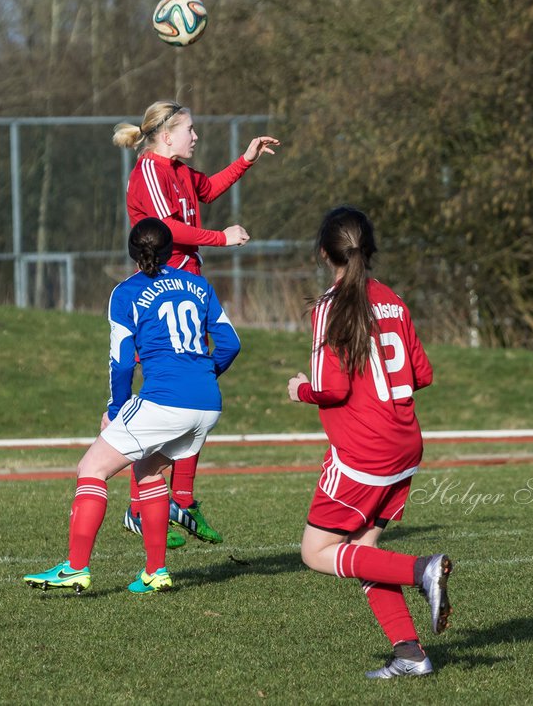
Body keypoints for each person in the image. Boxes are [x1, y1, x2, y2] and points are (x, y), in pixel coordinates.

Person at [24, 218, 241, 595]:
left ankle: (75, 568)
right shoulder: (199, 285)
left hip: (165, 399)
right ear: (172, 250)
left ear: (132, 253)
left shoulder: (125, 293)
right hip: (207, 402)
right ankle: (155, 572)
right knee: (149, 472)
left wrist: (115, 408)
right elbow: (231, 344)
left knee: (91, 467)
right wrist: (204, 376)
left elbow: (123, 361)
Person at [285, 205, 453, 679]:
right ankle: (410, 654)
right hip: (404, 447)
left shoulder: (330, 305)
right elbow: (421, 373)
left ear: (325, 253)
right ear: (370, 249)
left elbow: (330, 387)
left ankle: (423, 570)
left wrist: (298, 387)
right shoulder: (394, 300)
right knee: (363, 550)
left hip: (363, 454)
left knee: (315, 553)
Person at [112, 100, 279, 548]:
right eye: (190, 129)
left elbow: (206, 190)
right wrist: (220, 238)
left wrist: (245, 159)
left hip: (188, 283)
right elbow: (164, 228)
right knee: (168, 394)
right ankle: (138, 503)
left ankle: (179, 500)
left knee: (194, 391)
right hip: (160, 286)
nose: (196, 136)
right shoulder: (150, 169)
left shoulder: (181, 171)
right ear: (166, 136)